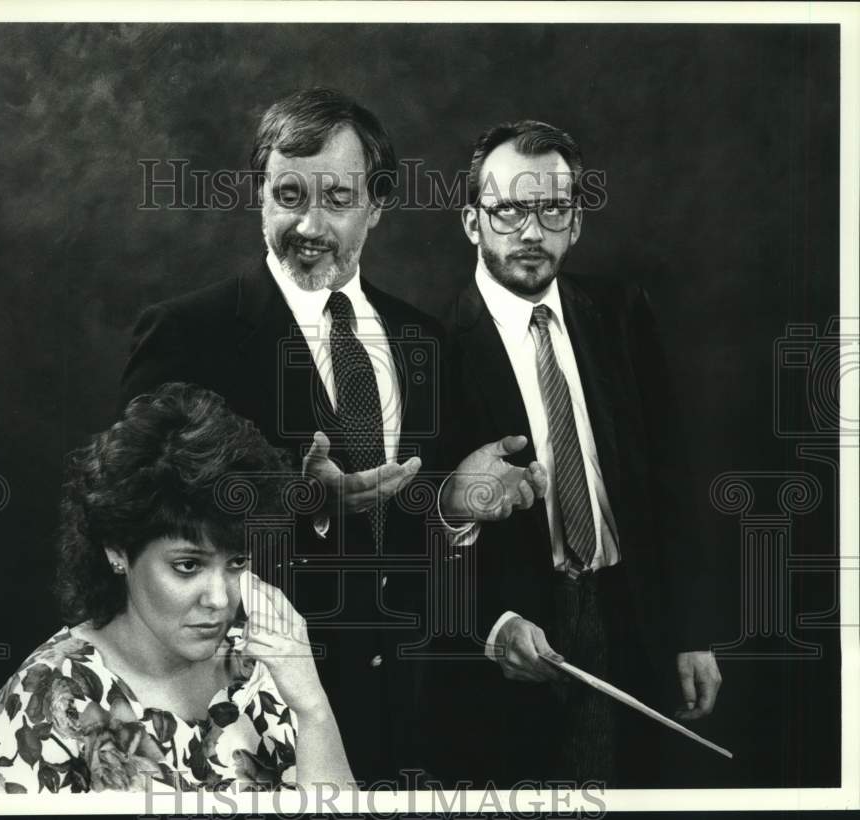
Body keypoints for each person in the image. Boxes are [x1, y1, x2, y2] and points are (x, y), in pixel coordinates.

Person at [119, 88, 543, 785]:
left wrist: (451, 508)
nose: (309, 224)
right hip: (248, 721)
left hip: (412, 724)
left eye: (338, 199)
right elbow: (138, 515)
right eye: (288, 195)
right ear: (259, 195)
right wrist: (299, 501)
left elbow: (413, 549)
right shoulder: (189, 334)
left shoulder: (423, 340)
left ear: (376, 207)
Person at [432, 119, 723, 787]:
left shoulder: (620, 313)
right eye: (507, 210)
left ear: (577, 222)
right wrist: (489, 623)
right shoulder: (428, 346)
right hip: (520, 643)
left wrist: (692, 631)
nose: (531, 232)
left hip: (634, 618)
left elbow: (669, 481)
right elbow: (408, 535)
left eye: (553, 209)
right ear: (472, 223)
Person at [0, 383, 353, 793]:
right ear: (118, 550)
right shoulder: (40, 705)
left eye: (237, 562)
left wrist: (313, 708)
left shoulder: (263, 665)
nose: (221, 599)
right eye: (188, 565)